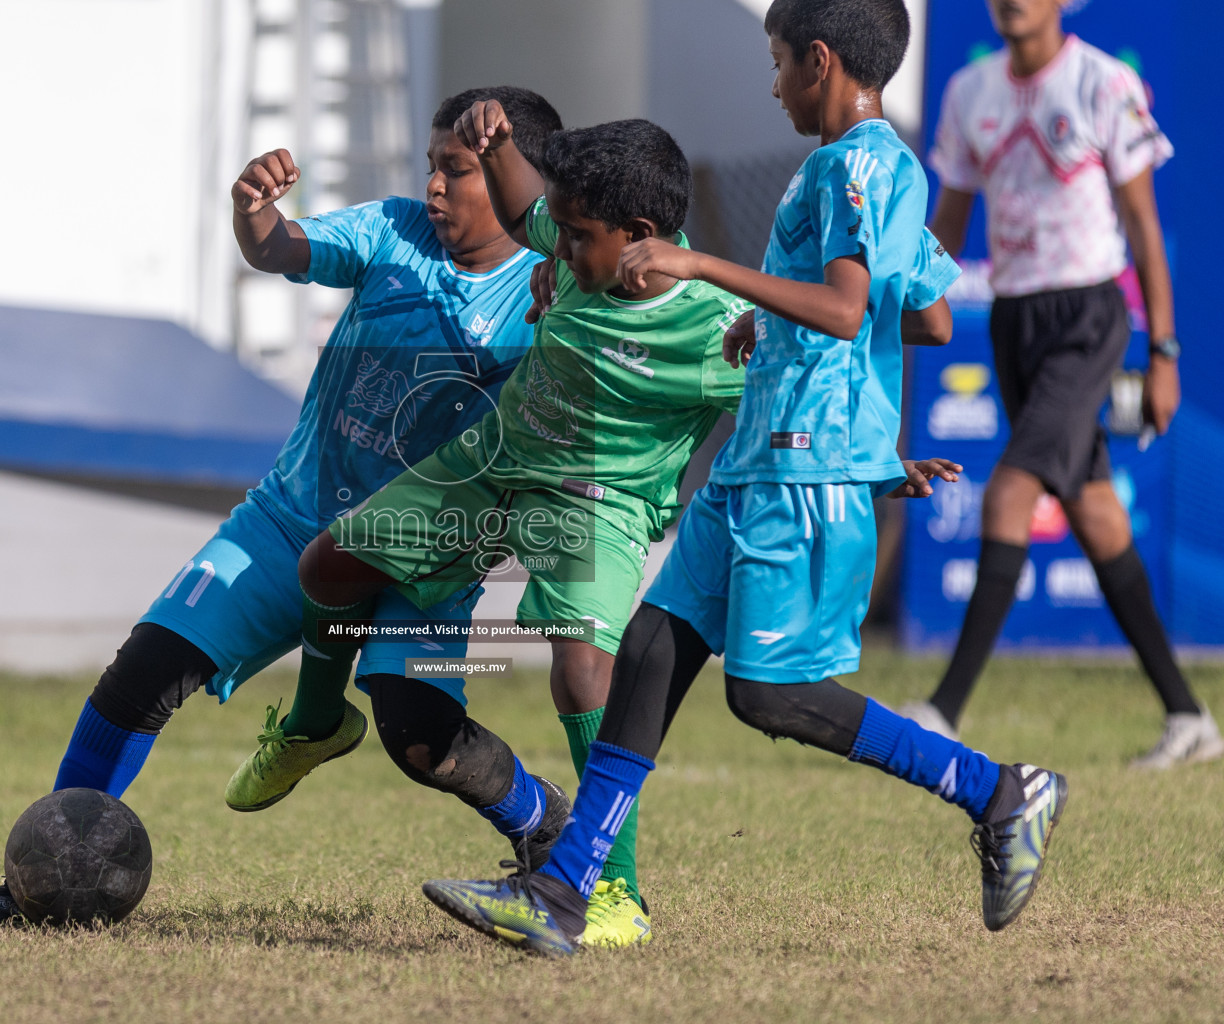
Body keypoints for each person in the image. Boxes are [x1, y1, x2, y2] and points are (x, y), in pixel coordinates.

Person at [420, 0, 1068, 956]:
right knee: (648, 652)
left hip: (801, 470)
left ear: (820, 60)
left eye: (777, 63)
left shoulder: (860, 166)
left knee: (768, 696)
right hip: (762, 460)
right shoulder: (858, 172)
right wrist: (780, 333)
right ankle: (563, 895)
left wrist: (707, 267)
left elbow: (849, 313)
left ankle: (999, 790)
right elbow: (919, 317)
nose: (771, 85)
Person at [0, 86, 566, 926]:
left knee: (419, 735)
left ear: (509, 174)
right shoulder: (392, 230)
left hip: (427, 553)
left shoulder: (551, 292)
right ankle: (46, 881)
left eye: (453, 170)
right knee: (144, 673)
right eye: (430, 166)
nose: (433, 187)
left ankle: (545, 826)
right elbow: (282, 248)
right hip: (292, 517)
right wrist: (255, 212)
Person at [243, 107, 752, 947]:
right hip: (496, 458)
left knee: (583, 671)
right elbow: (526, 209)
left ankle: (613, 892)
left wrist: (885, 462)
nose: (550, 250)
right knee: (328, 568)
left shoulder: (711, 325)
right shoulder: (578, 241)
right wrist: (501, 143)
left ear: (642, 236)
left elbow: (796, 388)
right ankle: (314, 723)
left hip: (598, 499)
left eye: (574, 238)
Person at [896, 0, 1219, 770]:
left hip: (1089, 315)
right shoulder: (969, 91)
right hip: (1013, 316)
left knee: (1012, 491)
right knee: (1095, 510)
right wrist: (901, 303)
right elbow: (949, 220)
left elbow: (1142, 224)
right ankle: (1189, 715)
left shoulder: (1104, 83)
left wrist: (1165, 351)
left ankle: (941, 709)